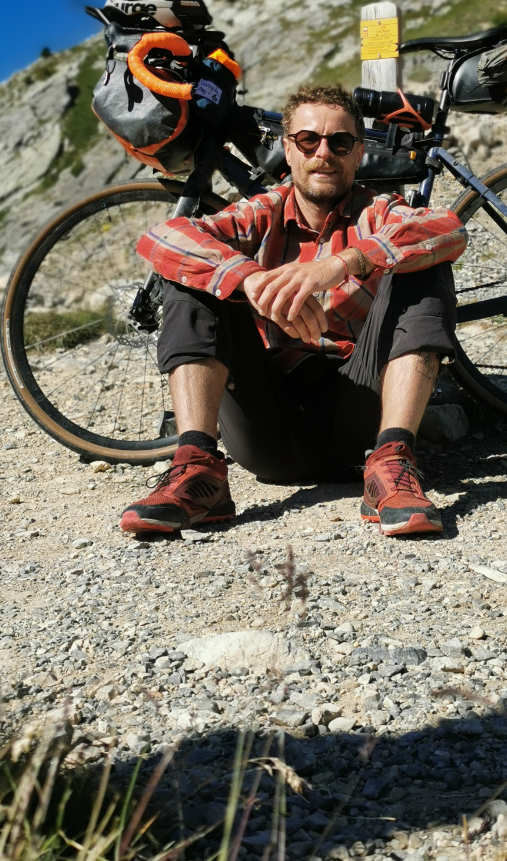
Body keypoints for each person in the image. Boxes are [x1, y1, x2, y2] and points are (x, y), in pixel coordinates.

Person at [119, 82, 467, 539]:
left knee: (423, 261)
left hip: (360, 414)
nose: (324, 152)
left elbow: (448, 228)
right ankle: (197, 468)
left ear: (359, 153)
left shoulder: (378, 209)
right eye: (308, 140)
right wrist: (248, 278)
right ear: (288, 148)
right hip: (265, 425)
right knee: (198, 276)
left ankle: (394, 464)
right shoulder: (260, 211)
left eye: (340, 142)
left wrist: (341, 264)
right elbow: (163, 237)